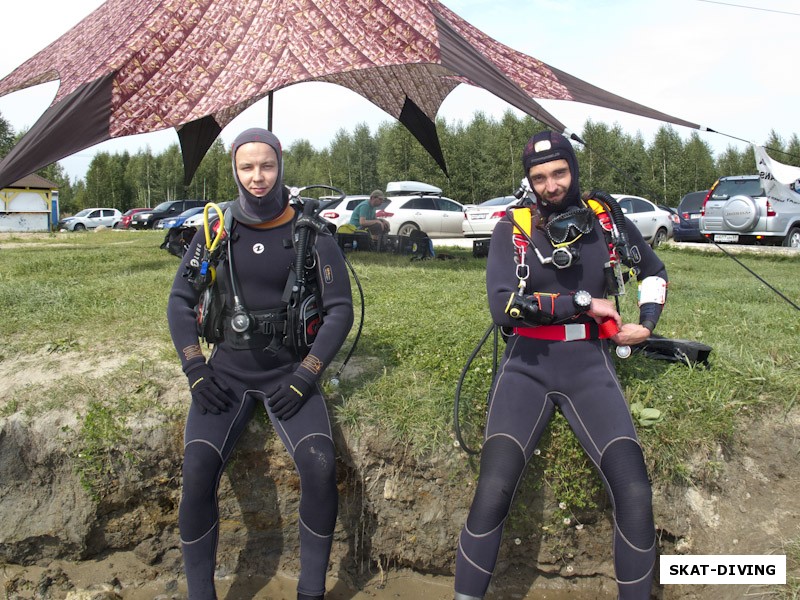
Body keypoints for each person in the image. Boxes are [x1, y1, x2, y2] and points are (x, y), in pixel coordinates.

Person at [454, 130, 667, 600]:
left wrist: (647, 323)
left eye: (559, 173)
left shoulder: (605, 221)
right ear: (529, 181)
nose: (551, 185)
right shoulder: (513, 227)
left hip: (589, 364)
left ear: (573, 169)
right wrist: (583, 301)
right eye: (540, 177)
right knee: (493, 490)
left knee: (634, 491)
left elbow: (653, 270)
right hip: (525, 364)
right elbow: (502, 305)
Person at [167, 128, 354, 600]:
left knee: (318, 463)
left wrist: (304, 377)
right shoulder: (214, 230)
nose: (257, 177)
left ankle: (310, 592)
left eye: (266, 166)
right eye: (247, 167)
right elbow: (179, 300)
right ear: (234, 168)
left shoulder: (310, 233)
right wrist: (195, 367)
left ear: (280, 166)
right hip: (225, 372)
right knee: (196, 470)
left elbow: (339, 310)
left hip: (288, 373)